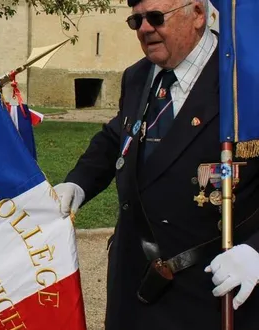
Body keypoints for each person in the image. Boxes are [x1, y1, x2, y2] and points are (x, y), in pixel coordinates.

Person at [53, 0, 259, 329]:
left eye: (155, 17)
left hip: (211, 292)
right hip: (135, 287)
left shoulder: (245, 81)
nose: (146, 28)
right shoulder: (138, 77)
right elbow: (116, 136)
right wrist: (78, 182)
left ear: (198, 15)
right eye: (137, 21)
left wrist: (256, 252)